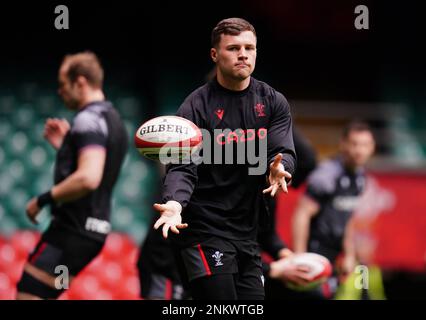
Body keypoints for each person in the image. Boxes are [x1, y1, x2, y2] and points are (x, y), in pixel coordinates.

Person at [152, 18, 296, 300]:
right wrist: (174, 203)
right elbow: (182, 165)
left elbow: (283, 151)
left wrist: (280, 169)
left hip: (247, 234)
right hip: (203, 230)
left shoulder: (272, 102)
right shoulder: (194, 107)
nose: (243, 54)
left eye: (249, 48)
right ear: (215, 55)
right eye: (233, 48)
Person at [16, 52, 128, 299]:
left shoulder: (88, 119)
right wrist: (68, 147)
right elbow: (95, 166)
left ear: (80, 82)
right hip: (92, 232)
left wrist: (41, 200)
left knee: (29, 295)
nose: (60, 92)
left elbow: (89, 177)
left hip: (70, 230)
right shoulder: (113, 120)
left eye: (63, 85)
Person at [291, 121, 375, 299]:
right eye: (354, 144)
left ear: (372, 148)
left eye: (365, 145)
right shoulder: (326, 176)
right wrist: (299, 257)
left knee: (362, 290)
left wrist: (350, 254)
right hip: (316, 251)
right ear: (343, 144)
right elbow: (302, 214)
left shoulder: (360, 177)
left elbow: (348, 218)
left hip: (336, 252)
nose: (359, 150)